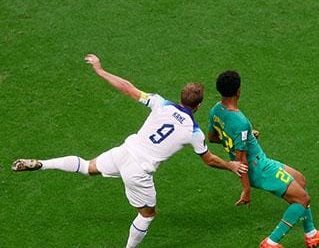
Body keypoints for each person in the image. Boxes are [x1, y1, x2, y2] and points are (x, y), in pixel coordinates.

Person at [12, 54, 247, 247]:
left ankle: (43, 163)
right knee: (147, 214)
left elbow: (127, 88)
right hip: (139, 171)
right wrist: (231, 165)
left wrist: (100, 70)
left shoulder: (159, 102)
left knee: (85, 166)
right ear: (199, 105)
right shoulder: (192, 131)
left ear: (181, 98)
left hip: (123, 152)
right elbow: (209, 159)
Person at [207, 70, 319, 248]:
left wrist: (247, 138)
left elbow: (214, 137)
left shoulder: (215, 110)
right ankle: (270, 242)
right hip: (258, 168)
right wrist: (246, 189)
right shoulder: (240, 121)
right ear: (238, 90)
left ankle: (311, 234)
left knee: (300, 180)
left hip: (260, 161)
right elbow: (241, 162)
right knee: (302, 200)